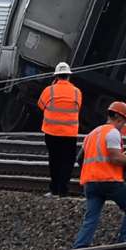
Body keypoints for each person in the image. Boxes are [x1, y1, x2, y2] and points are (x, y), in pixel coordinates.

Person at [72, 101, 126, 249]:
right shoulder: (113, 133)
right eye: (124, 121)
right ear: (119, 118)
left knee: (91, 217)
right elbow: (116, 159)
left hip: (90, 183)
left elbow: (80, 159)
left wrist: (93, 171)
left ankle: (79, 248)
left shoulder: (92, 134)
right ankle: (125, 244)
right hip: (109, 181)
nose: (123, 125)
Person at [38, 62, 83, 197]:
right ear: (69, 76)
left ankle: (54, 190)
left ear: (56, 76)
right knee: (67, 162)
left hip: (51, 132)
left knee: (54, 160)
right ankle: (63, 191)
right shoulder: (77, 92)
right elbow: (78, 107)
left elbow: (40, 105)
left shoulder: (49, 90)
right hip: (70, 133)